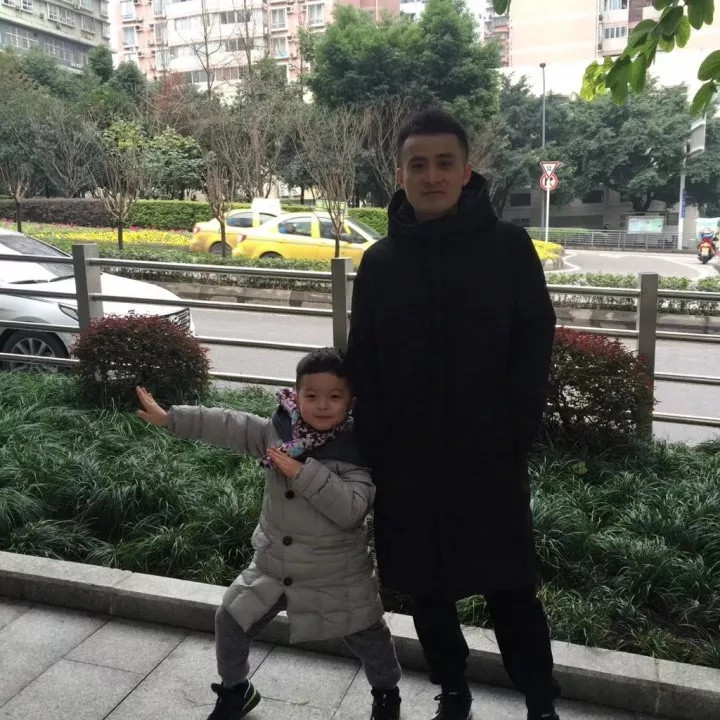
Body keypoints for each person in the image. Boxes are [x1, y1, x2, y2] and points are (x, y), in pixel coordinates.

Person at [345, 108, 559, 720]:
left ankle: (540, 702)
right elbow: (365, 360)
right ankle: (453, 690)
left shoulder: (509, 249)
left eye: (445, 163)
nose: (432, 175)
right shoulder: (381, 263)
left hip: (487, 456)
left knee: (511, 589)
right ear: (401, 174)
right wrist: (376, 445)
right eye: (419, 165)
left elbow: (534, 342)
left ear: (467, 172)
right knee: (426, 590)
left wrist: (514, 433)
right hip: (407, 464)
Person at [135, 347, 402, 720]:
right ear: (297, 394)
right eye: (312, 395)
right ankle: (235, 690)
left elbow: (351, 510)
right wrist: (172, 418)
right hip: (275, 565)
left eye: (334, 396)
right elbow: (229, 424)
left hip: (337, 573)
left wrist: (301, 472)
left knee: (369, 638)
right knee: (231, 619)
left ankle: (387, 696)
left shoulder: (356, 448)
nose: (322, 405)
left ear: (351, 402)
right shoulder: (278, 430)